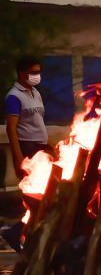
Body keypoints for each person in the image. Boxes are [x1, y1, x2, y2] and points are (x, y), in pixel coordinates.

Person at [2, 56, 49, 251]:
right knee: (35, 196)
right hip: (27, 148)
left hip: (40, 147)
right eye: (33, 72)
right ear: (22, 74)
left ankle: (26, 235)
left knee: (45, 194)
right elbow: (11, 129)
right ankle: (17, 232)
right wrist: (18, 157)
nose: (37, 76)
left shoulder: (35, 93)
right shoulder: (14, 97)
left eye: (38, 72)